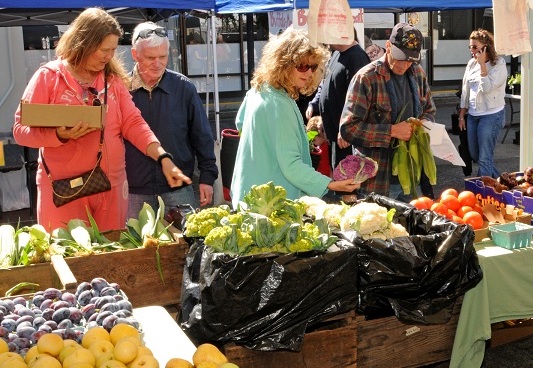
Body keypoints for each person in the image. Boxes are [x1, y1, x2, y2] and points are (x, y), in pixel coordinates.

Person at [13, 8, 191, 232]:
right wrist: (58, 135)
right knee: (69, 257)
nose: (109, 56)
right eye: (104, 50)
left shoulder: (112, 81)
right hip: (63, 190)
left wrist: (163, 157)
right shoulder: (49, 77)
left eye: (113, 50)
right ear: (83, 43)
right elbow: (20, 131)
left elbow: (134, 123)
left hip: (110, 187)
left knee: (110, 259)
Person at [229, 28, 360, 205]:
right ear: (283, 64)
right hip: (270, 203)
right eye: (302, 66)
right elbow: (291, 166)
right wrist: (332, 184)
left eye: (313, 67)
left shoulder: (259, 89)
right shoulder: (279, 104)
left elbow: (240, 124)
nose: (309, 73)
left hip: (249, 192)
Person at [126, 21, 219, 219]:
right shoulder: (121, 90)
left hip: (179, 187)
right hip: (134, 191)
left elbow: (202, 136)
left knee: (186, 246)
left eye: (163, 56)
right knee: (137, 247)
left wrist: (207, 178)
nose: (158, 63)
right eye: (150, 57)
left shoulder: (184, 87)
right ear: (135, 54)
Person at [340, 22, 437, 200]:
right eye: (400, 57)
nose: (405, 64)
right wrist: (391, 131)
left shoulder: (418, 73)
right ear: (387, 46)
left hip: (412, 178)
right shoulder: (366, 78)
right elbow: (348, 128)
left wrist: (422, 124)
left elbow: (429, 109)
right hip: (377, 181)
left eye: (410, 59)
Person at [306, 36, 370, 169]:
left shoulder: (357, 58)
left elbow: (360, 101)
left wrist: (347, 130)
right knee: (339, 182)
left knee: (347, 184)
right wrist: (315, 103)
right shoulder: (336, 53)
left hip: (347, 140)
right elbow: (325, 84)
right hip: (335, 137)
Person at [457, 29, 507, 178]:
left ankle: (482, 192)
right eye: (470, 47)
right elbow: (465, 91)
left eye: (475, 47)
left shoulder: (499, 64)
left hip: (491, 115)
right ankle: (501, 182)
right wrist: (461, 115)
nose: (471, 50)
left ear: (486, 47)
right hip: (473, 115)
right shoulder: (471, 64)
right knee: (476, 155)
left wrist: (483, 66)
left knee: (485, 157)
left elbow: (487, 88)